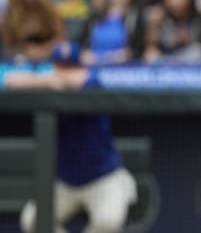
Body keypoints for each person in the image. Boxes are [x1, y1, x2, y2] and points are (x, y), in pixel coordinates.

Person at [6, 43, 137, 233]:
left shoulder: (93, 83)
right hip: (65, 181)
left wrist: (56, 80)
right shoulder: (49, 87)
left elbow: (82, 79)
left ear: (79, 66)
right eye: (60, 66)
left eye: (69, 67)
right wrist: (49, 82)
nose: (64, 72)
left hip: (103, 177)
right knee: (32, 220)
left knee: (108, 222)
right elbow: (11, 80)